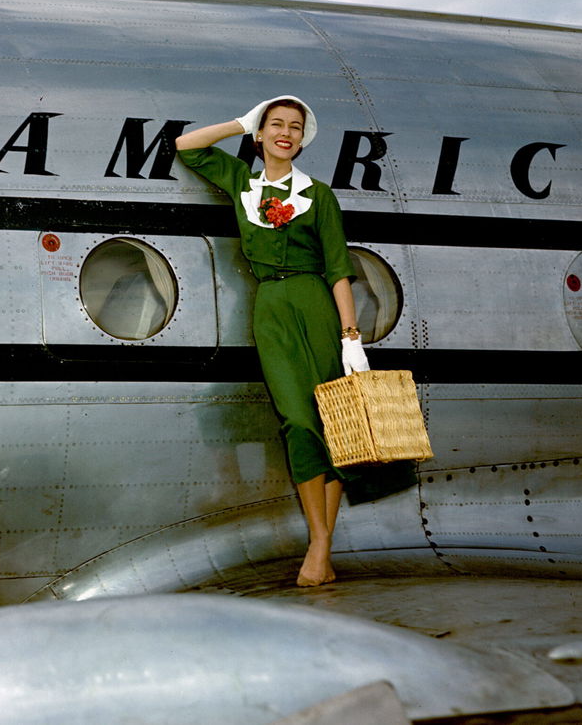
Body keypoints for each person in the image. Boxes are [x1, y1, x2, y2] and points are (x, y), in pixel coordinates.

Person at [175, 95, 413, 587]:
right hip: (272, 310)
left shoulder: (318, 195)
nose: (286, 133)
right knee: (300, 422)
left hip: (316, 307)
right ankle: (321, 543)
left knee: (331, 421)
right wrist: (241, 121)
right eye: (275, 124)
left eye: (295, 127)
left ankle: (319, 546)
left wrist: (352, 336)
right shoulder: (242, 181)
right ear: (260, 135)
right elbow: (187, 147)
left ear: (304, 140)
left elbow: (338, 270)